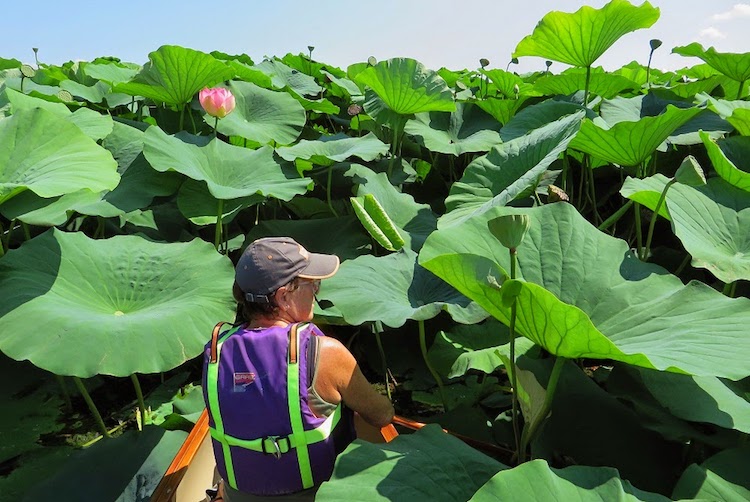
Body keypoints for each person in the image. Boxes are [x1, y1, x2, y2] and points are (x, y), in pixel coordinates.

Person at [202, 237, 394, 501]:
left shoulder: (216, 352)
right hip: (316, 494)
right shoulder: (326, 352)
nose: (316, 289)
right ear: (283, 296)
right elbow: (382, 416)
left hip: (240, 496)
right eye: (310, 283)